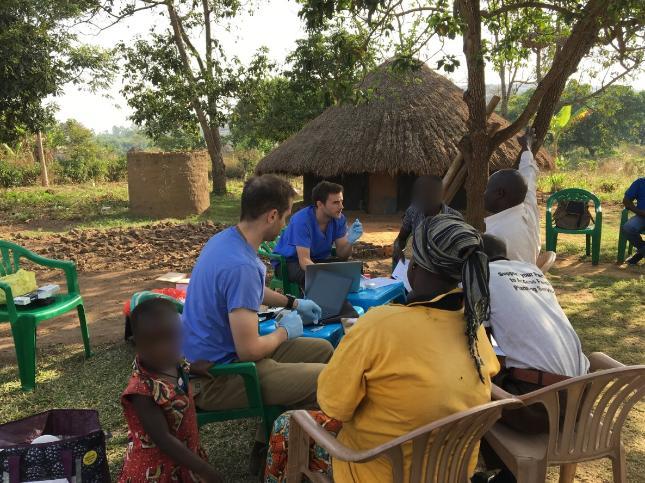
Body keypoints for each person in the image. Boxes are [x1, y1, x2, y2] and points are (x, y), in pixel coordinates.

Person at [264, 214, 500, 482]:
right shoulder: (473, 328)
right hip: (449, 471)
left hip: (376, 471)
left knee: (287, 424)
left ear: (413, 269)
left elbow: (334, 405)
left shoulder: (378, 325)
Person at [181, 175, 334, 472]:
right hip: (218, 377)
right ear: (271, 215)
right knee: (327, 378)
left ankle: (265, 444)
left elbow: (251, 290)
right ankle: (293, 457)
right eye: (286, 217)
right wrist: (283, 331)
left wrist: (292, 303)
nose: (286, 226)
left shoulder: (226, 241)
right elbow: (250, 350)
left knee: (322, 349)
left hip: (219, 358)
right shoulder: (241, 265)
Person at [479, 234, 589, 483]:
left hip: (540, 405)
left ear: (474, 259)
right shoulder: (531, 270)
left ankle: (500, 473)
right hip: (582, 397)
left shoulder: (482, 276)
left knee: (470, 383)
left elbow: (479, 345)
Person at [119, 297, 223, 483]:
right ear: (137, 344)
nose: (164, 348)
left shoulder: (172, 360)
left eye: (171, 337)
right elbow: (164, 440)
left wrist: (193, 368)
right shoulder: (142, 392)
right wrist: (204, 469)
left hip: (184, 455)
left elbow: (180, 362)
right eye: (154, 341)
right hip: (158, 470)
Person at [271, 181, 363, 289]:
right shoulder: (302, 220)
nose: (341, 206)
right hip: (289, 263)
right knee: (312, 278)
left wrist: (349, 241)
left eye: (341, 201)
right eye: (336, 202)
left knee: (354, 269)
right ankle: (311, 304)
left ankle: (344, 301)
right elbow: (304, 260)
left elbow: (342, 255)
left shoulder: (339, 219)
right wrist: (325, 276)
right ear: (319, 204)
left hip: (316, 260)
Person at [484, 128, 540, 264]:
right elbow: (529, 174)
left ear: (499, 194)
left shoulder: (496, 235)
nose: (483, 193)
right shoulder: (527, 211)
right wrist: (527, 147)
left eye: (487, 189)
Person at [392, 174, 462, 265]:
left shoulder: (454, 217)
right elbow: (401, 239)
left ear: (439, 193)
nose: (423, 195)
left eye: (428, 191)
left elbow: (459, 251)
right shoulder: (413, 211)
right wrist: (397, 248)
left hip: (443, 269)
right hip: (416, 266)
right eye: (419, 191)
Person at [622, 176, 645, 265]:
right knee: (628, 228)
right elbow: (626, 200)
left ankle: (639, 254)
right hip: (641, 216)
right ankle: (642, 249)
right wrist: (639, 212)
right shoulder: (640, 182)